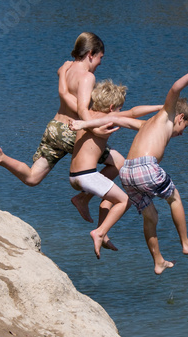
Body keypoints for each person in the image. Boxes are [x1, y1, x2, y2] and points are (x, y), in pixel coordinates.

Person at [0, 32, 117, 228]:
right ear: (90, 54)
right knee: (119, 163)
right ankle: (83, 199)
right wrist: (96, 127)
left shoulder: (65, 69)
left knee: (32, 178)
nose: (100, 63)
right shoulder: (87, 77)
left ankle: (0, 157)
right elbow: (82, 109)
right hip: (71, 132)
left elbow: (63, 83)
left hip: (54, 128)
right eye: (100, 57)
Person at [117, 56, 188, 274]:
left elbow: (120, 120)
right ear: (180, 117)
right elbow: (175, 88)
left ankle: (158, 261)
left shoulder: (148, 125)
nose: (181, 134)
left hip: (126, 172)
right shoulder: (167, 114)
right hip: (145, 167)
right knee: (174, 198)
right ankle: (185, 243)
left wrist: (86, 122)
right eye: (184, 127)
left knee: (150, 215)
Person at [68, 79, 162, 258]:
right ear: (112, 107)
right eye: (119, 109)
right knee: (125, 201)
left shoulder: (87, 116)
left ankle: (84, 200)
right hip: (87, 176)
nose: (121, 112)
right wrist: (161, 108)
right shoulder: (107, 119)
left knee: (120, 164)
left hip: (75, 175)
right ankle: (100, 232)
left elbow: (132, 112)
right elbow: (134, 113)